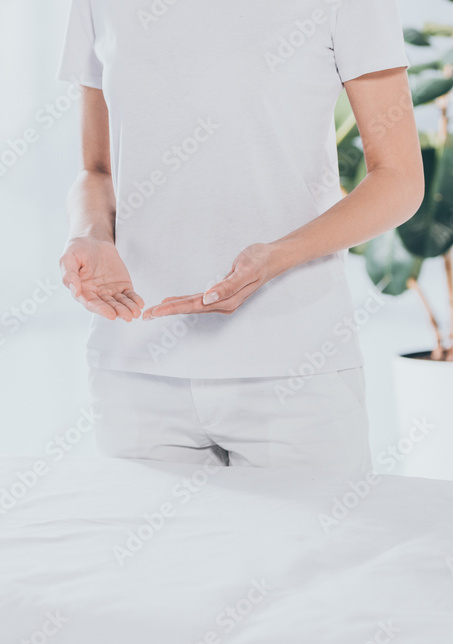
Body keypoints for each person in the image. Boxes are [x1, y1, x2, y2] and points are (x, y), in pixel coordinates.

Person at [56, 0, 424, 476]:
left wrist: (275, 257)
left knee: (317, 551)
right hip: (136, 369)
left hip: (293, 366)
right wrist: (89, 235)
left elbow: (400, 179)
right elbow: (96, 169)